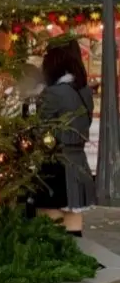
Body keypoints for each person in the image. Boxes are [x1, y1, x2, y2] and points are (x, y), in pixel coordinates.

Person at [37, 37, 96, 235]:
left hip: (55, 167)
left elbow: (37, 129)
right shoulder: (85, 92)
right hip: (79, 165)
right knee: (73, 230)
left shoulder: (52, 93)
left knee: (48, 230)